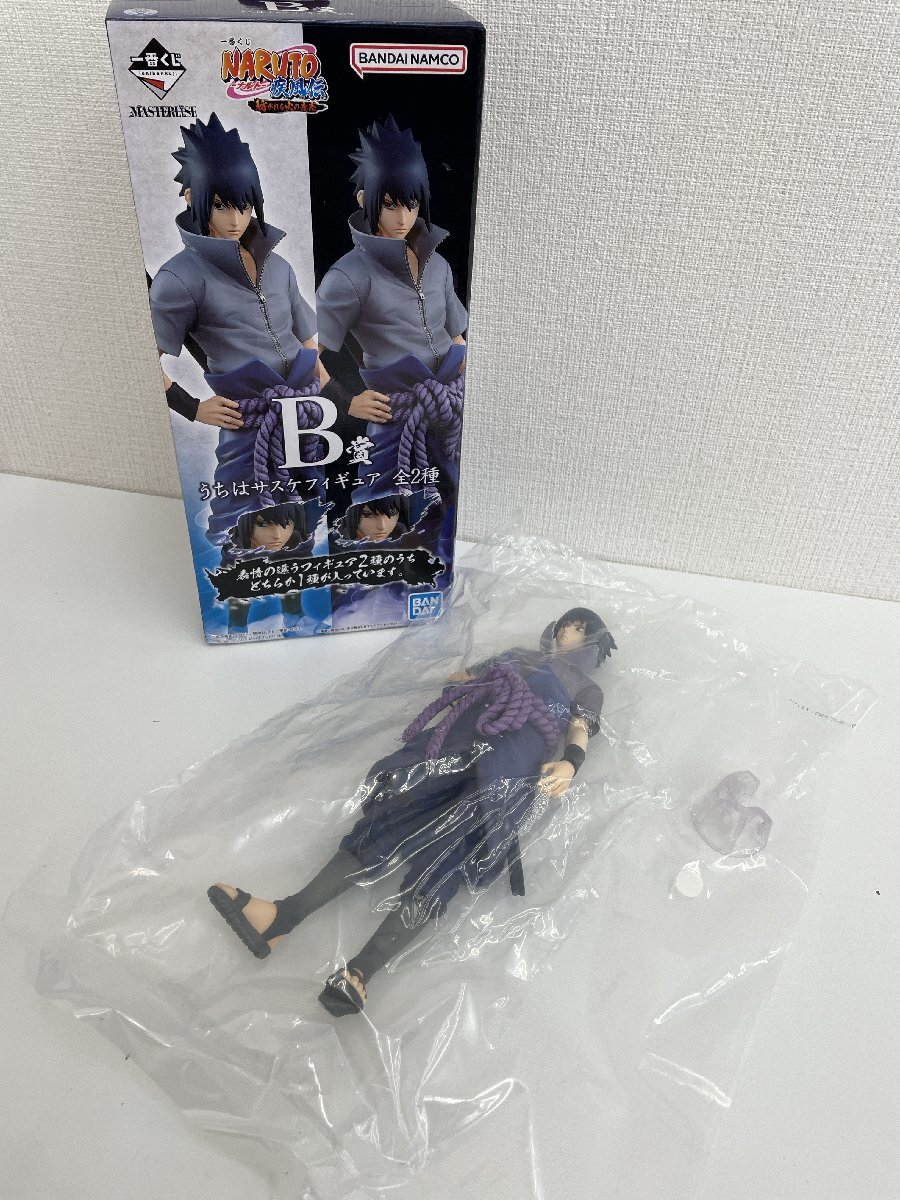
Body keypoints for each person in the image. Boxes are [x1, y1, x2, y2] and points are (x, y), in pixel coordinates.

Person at [208, 608, 616, 1015]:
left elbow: (579, 729)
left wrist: (571, 763)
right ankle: (281, 917)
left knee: (448, 861)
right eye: (566, 625)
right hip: (462, 740)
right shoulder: (518, 656)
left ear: (592, 643)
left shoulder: (585, 688)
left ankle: (361, 972)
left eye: (579, 629)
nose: (568, 633)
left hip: (511, 771)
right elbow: (464, 678)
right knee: (389, 820)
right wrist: (461, 682)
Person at [149, 112, 331, 546]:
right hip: (248, 420)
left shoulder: (278, 266)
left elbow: (308, 339)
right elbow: (143, 356)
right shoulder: (179, 278)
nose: (235, 219)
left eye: (245, 206)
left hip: (304, 413)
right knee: (243, 520)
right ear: (192, 198)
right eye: (221, 205)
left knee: (307, 512)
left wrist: (328, 394)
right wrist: (191, 406)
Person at [315, 115, 468, 509]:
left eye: (411, 203)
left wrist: (465, 382)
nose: (402, 218)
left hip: (449, 408)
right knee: (380, 513)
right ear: (364, 200)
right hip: (395, 417)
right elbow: (307, 351)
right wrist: (345, 399)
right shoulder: (348, 276)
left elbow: (456, 335)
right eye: (389, 204)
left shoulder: (438, 265)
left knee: (450, 509)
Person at [220, 502, 318, 631]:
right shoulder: (235, 555)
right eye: (263, 524)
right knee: (237, 622)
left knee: (293, 609)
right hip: (242, 563)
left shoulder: (296, 547)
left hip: (287, 558)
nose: (277, 535)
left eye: (287, 522)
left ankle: (293, 622)